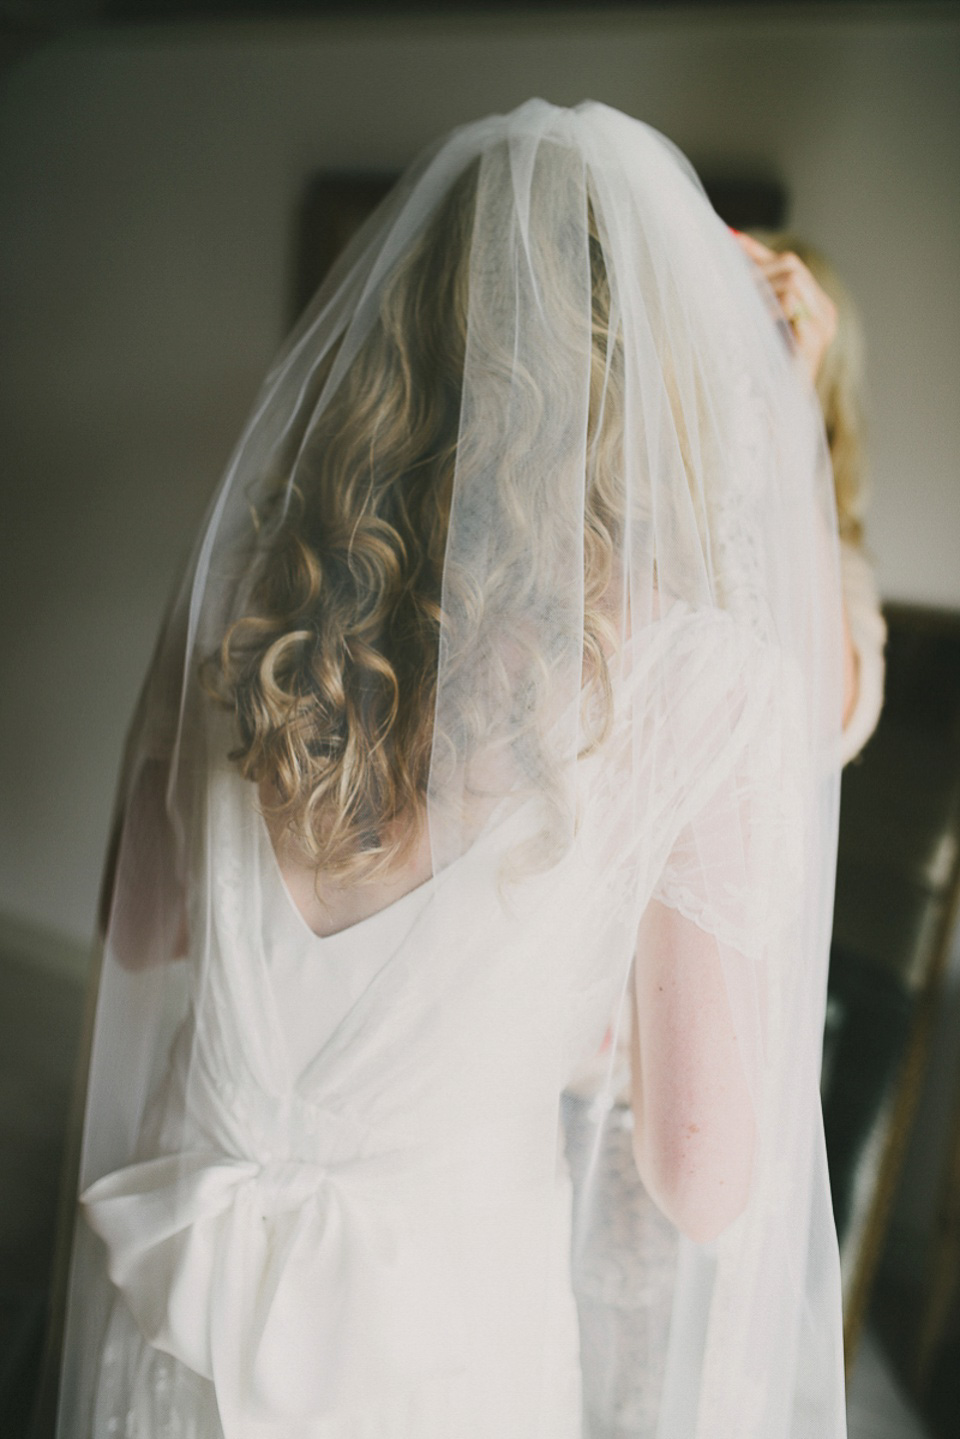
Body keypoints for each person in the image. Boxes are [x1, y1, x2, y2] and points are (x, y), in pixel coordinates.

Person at [53, 100, 848, 1438]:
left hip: (177, 1317)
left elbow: (138, 932)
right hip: (433, 1356)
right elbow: (702, 1176)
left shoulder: (257, 583)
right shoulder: (697, 679)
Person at [564, 227, 885, 1437]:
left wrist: (788, 416)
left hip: (698, 1063)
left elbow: (816, 705)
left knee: (645, 1380)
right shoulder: (637, 533)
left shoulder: (831, 568)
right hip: (566, 1024)